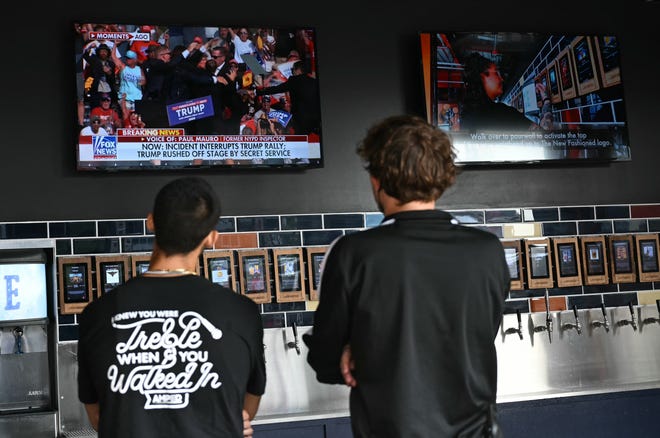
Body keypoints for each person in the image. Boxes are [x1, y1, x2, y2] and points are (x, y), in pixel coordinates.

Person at [303, 115, 510, 438]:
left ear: (376, 179)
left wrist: (356, 348)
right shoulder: (487, 250)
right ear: (442, 177)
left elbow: (326, 364)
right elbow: (474, 338)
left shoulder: (354, 253)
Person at [77, 176, 266, 438]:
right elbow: (248, 406)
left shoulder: (97, 314)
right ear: (212, 238)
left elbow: (98, 416)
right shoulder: (242, 312)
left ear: (151, 221)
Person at [460, 52, 551, 132]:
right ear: (482, 76)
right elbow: (544, 137)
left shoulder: (465, 117)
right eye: (496, 73)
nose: (502, 79)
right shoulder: (501, 113)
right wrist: (546, 101)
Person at [255, 60, 320, 136]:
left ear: (298, 70)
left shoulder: (294, 80)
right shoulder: (315, 82)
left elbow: (277, 89)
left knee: (300, 140)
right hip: (315, 118)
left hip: (300, 119)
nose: (292, 71)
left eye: (293, 69)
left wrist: (259, 92)